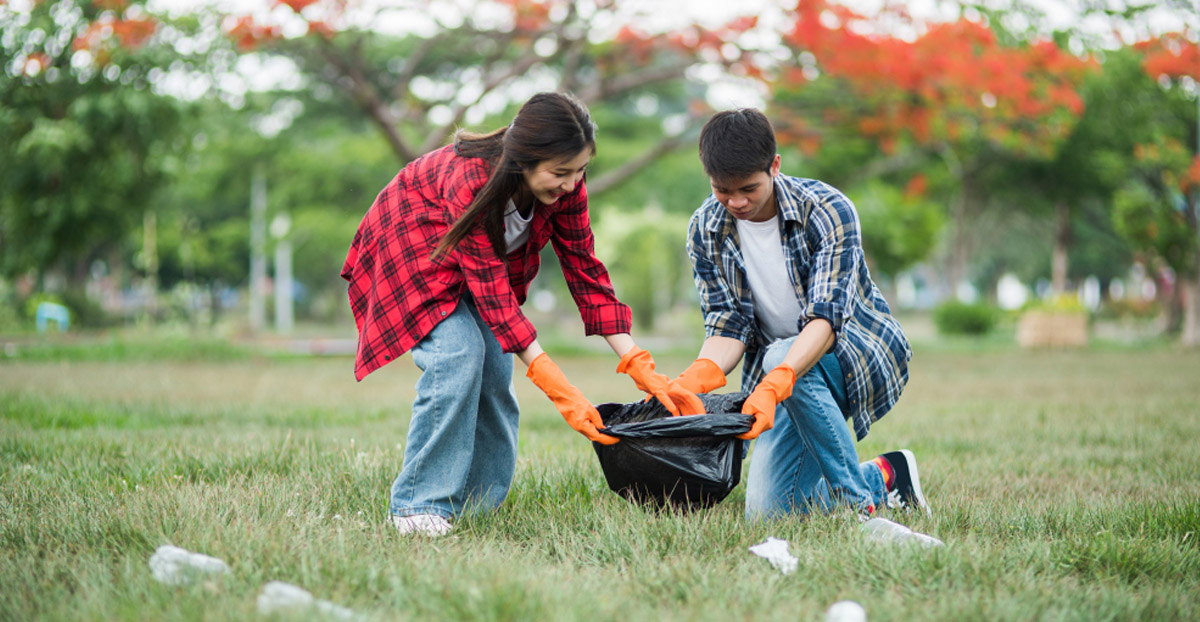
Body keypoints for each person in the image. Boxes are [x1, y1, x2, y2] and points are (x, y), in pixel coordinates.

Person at [341, 92, 699, 536]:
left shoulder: (568, 186)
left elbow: (585, 269)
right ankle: (418, 505)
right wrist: (560, 388)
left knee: (495, 372)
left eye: (580, 170)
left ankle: (477, 506)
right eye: (560, 173)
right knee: (458, 354)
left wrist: (639, 365)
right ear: (523, 160)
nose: (571, 184)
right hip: (414, 252)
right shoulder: (471, 178)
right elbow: (492, 292)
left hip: (479, 271)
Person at [666, 108, 927, 520]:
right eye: (722, 190)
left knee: (777, 356)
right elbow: (727, 325)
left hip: (851, 356)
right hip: (781, 379)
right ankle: (885, 476)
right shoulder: (705, 228)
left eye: (748, 188)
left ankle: (858, 505)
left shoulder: (827, 209)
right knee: (769, 514)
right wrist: (693, 380)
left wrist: (780, 375)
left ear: (774, 166)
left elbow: (826, 319)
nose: (737, 202)